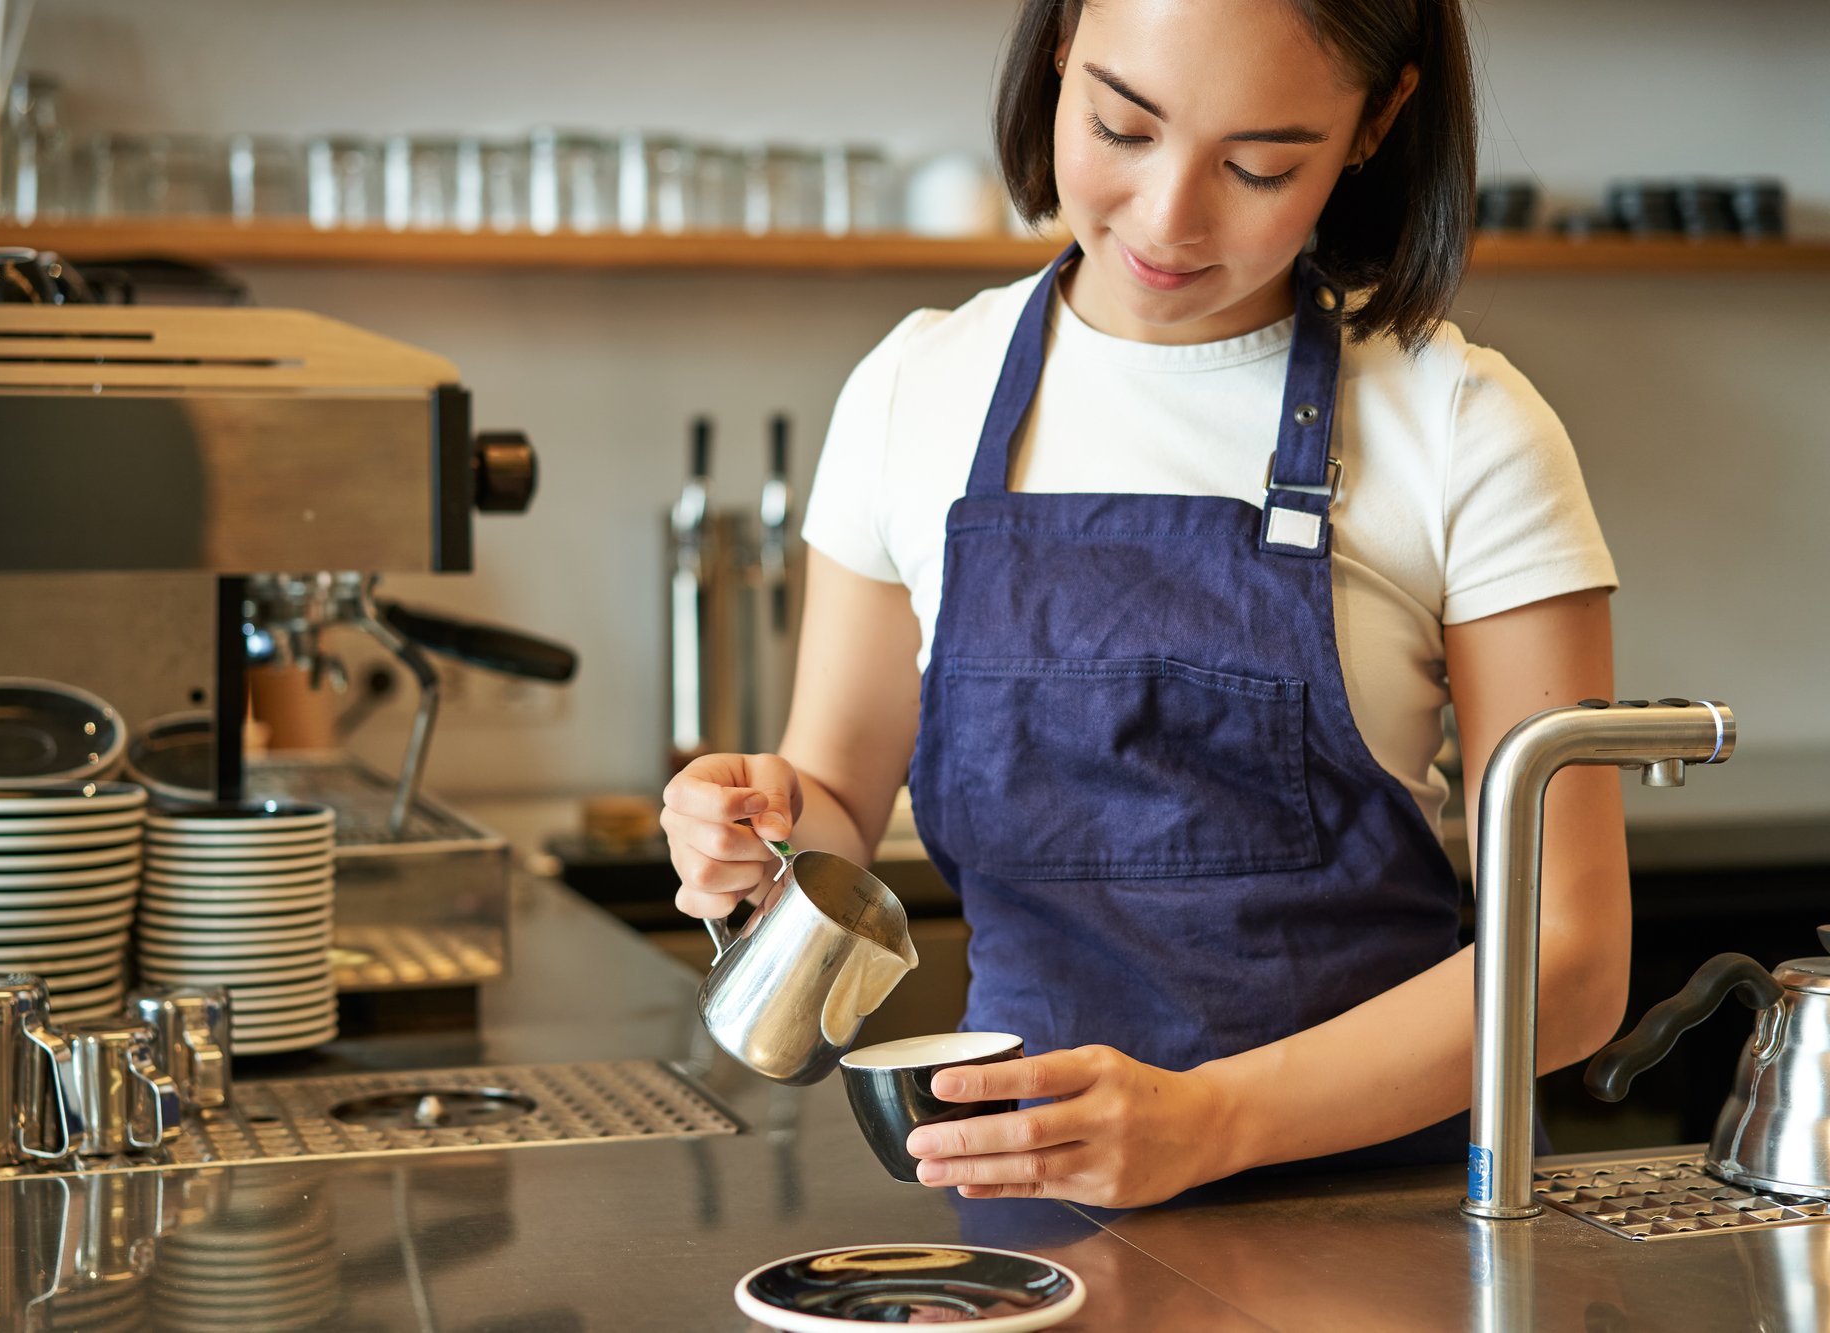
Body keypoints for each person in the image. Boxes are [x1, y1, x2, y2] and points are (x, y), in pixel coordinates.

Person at [662, 0, 1629, 1209]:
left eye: (1257, 165)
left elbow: (1569, 962)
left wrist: (1214, 1119)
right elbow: (839, 809)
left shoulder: (1461, 425)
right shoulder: (914, 388)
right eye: (1122, 128)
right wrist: (750, 835)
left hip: (1377, 1225)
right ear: (1061, 44)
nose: (1169, 217)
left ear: (1376, 122)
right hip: (1028, 1221)